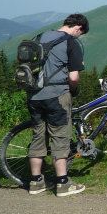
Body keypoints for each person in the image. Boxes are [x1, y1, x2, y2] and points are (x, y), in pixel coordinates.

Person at [27, 13, 89, 197]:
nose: (79, 36)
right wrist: (73, 90)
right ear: (78, 28)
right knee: (60, 136)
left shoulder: (40, 37)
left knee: (38, 136)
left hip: (34, 95)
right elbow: (74, 77)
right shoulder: (70, 42)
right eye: (81, 33)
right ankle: (62, 183)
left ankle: (35, 182)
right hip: (56, 95)